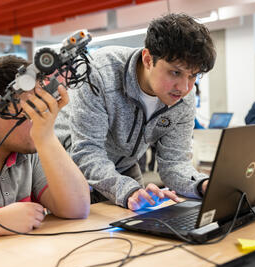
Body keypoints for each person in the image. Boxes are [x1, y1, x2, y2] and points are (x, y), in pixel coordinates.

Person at [55, 13, 216, 211]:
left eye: (193, 76)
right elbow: (86, 151)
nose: (184, 87)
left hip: (123, 167)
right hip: (67, 165)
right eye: (175, 72)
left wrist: (202, 186)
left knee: (140, 225)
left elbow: (174, 163)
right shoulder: (99, 73)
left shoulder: (182, 99)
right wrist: (128, 190)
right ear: (148, 59)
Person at [0, 55, 90, 247]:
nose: (40, 120)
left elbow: (77, 208)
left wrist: (47, 137)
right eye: (31, 112)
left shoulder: (32, 146)